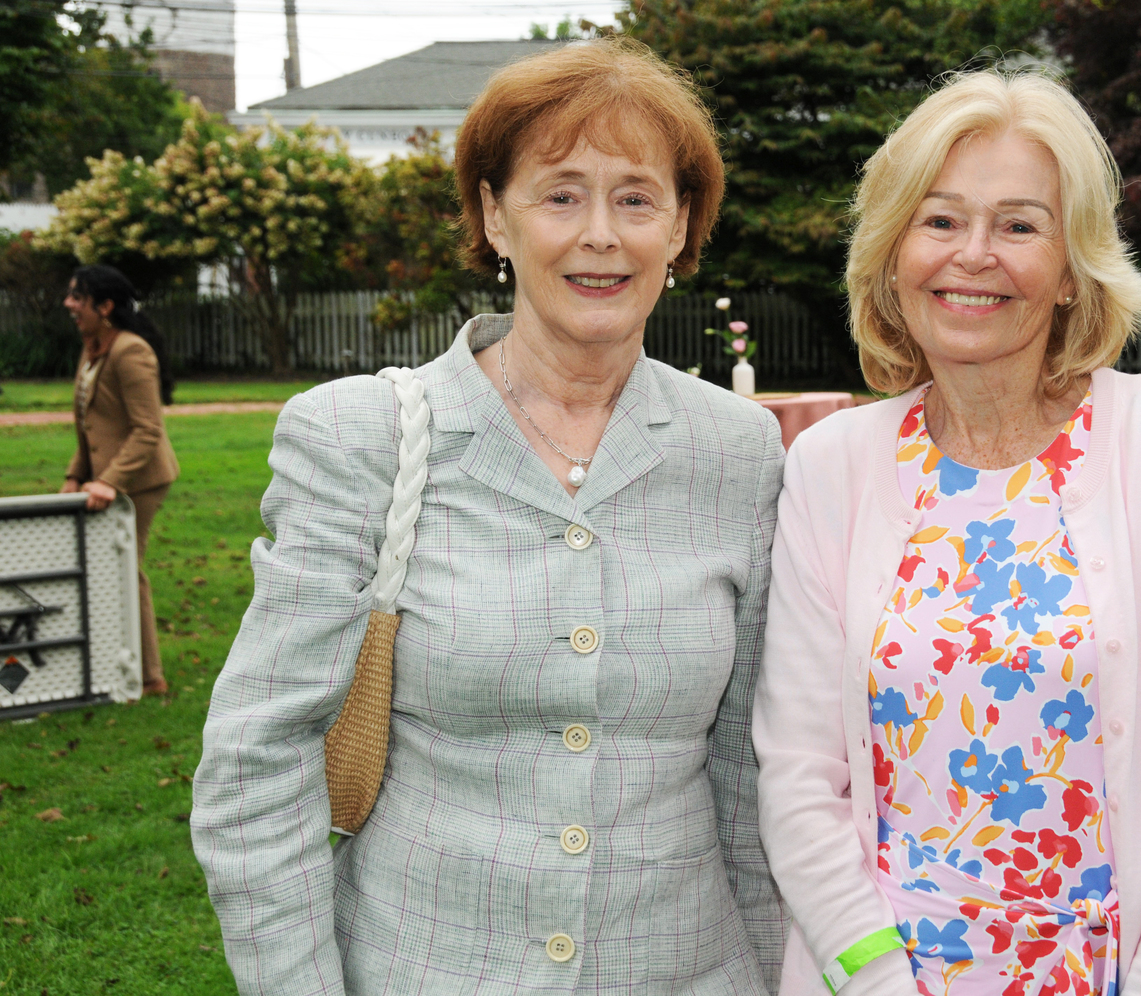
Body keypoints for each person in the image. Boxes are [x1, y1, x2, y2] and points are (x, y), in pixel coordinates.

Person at [192, 39, 788, 995]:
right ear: (492, 216)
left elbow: (748, 771)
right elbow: (259, 763)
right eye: (560, 194)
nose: (601, 233)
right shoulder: (361, 436)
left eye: (636, 197)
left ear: (681, 227)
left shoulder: (739, 451)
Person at [753, 70, 1141, 996]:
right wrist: (873, 980)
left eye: (1020, 225)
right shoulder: (831, 468)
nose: (973, 254)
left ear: (1073, 271)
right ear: (892, 252)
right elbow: (798, 781)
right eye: (940, 220)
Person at [61, 264, 179, 698]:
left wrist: (110, 481)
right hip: (104, 479)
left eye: (78, 296)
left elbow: (148, 430)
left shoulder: (130, 350)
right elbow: (92, 424)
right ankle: (103, 661)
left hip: (141, 479)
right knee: (105, 569)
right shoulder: (93, 346)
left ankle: (150, 678)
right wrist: (77, 475)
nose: (69, 304)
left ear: (105, 305)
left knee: (127, 569)